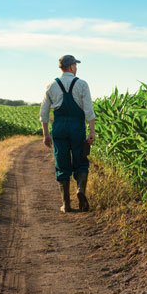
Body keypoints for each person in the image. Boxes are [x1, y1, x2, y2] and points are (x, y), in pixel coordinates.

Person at [40, 55, 96, 213]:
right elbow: (89, 111)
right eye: (75, 65)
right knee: (81, 161)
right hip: (77, 127)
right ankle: (80, 190)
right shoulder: (82, 84)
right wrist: (91, 132)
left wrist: (46, 135)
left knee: (62, 164)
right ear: (71, 67)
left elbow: (44, 113)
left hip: (59, 128)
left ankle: (67, 205)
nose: (76, 68)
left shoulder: (51, 85)